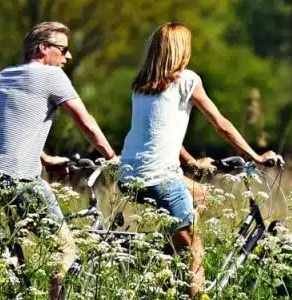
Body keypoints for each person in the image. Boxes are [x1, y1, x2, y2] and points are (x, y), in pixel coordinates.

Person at [116, 22, 282, 297]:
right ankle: (193, 287)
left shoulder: (141, 86)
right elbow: (221, 124)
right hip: (160, 178)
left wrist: (190, 161)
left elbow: (158, 132)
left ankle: (167, 267)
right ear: (182, 50)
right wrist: (256, 156)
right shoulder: (188, 80)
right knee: (196, 252)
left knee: (200, 194)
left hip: (129, 175)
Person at [0, 21, 118, 300]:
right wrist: (111, 156)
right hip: (14, 176)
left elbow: (8, 128)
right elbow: (85, 121)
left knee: (17, 244)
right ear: (43, 49)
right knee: (65, 250)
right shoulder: (51, 76)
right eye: (63, 49)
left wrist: (46, 159)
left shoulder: (3, 76)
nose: (67, 57)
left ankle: (14, 283)